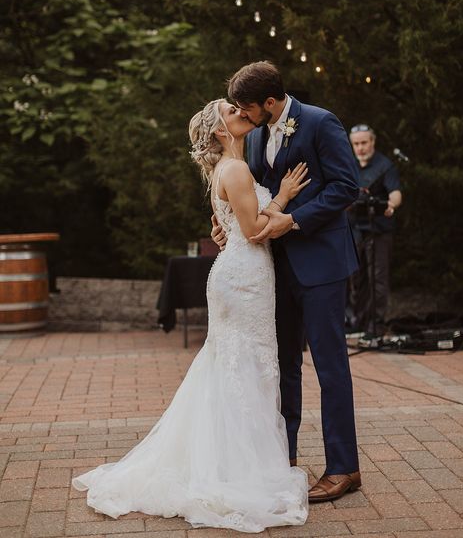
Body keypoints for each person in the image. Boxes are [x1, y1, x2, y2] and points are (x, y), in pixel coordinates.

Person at [72, 97, 309, 533]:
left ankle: (230, 460)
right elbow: (256, 232)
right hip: (244, 278)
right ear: (222, 130)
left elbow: (232, 226)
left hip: (241, 276)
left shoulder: (231, 166)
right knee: (247, 364)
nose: (242, 111)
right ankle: (240, 470)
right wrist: (284, 197)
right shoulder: (235, 169)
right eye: (232, 111)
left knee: (235, 365)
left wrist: (238, 221)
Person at [212, 60, 362, 503]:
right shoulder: (254, 135)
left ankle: (343, 468)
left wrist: (293, 220)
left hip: (321, 267)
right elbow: (249, 197)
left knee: (331, 367)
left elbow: (345, 187)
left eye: (247, 107)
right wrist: (226, 225)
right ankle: (284, 458)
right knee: (284, 368)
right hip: (273, 270)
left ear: (271, 103)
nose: (242, 114)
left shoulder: (319, 123)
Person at [347, 123, 402, 335]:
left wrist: (391, 205)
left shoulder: (385, 165)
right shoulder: (348, 164)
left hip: (379, 230)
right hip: (354, 230)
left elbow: (395, 192)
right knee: (356, 278)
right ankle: (358, 322)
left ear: (372, 142)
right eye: (356, 144)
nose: (360, 148)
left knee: (378, 279)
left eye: (364, 143)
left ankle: (376, 324)